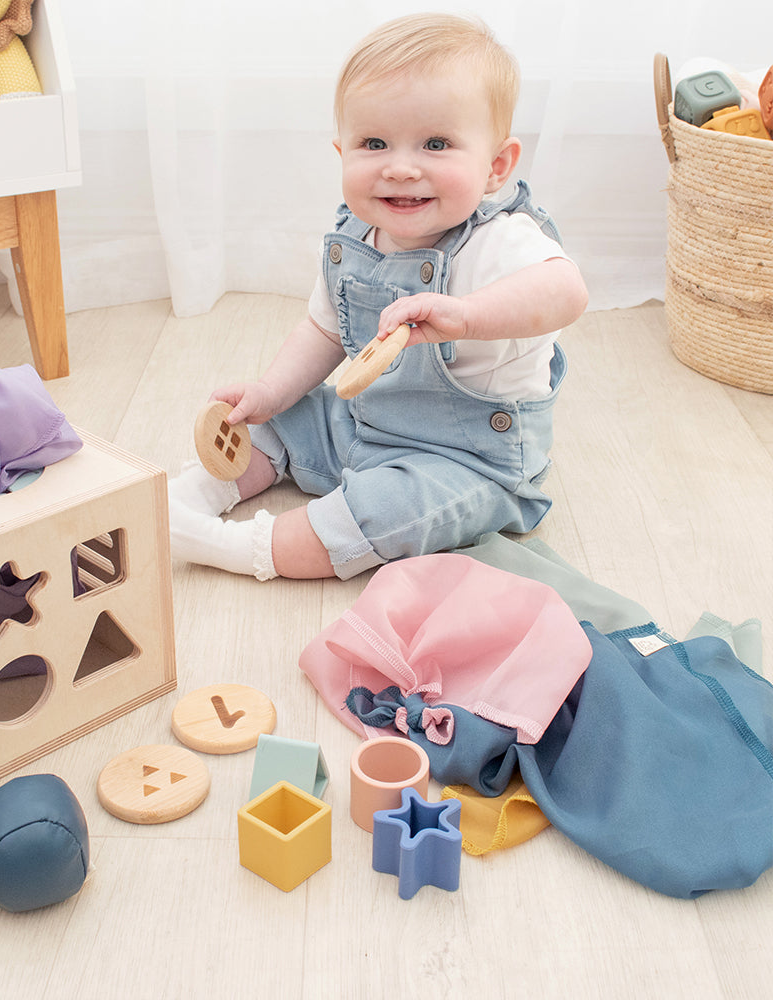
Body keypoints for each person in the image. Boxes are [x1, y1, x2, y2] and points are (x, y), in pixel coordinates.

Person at [168, 12, 588, 582]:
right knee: (280, 420)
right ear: (342, 153)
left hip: (465, 460)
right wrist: (271, 390)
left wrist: (467, 316)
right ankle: (191, 496)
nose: (401, 167)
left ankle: (234, 548)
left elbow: (566, 291)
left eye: (436, 144)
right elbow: (322, 331)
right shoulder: (352, 241)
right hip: (363, 421)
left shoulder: (500, 240)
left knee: (388, 513)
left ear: (495, 167)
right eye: (374, 143)